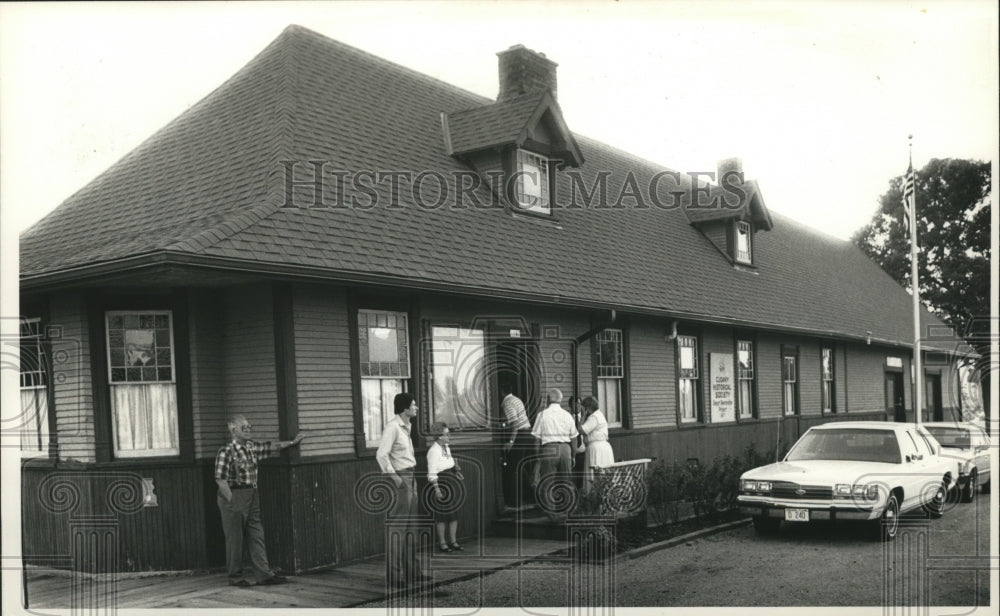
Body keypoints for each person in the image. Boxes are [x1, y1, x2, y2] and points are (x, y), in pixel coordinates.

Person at [214, 415, 304, 587]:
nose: (248, 430)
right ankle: (235, 578)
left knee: (256, 534)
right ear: (233, 430)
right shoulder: (226, 451)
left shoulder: (251, 447)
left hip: (252, 493)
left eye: (249, 427)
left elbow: (273, 446)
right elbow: (220, 479)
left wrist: (293, 442)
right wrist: (232, 501)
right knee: (235, 539)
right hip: (234, 495)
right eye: (244, 427)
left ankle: (264, 575)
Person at [375, 393, 433, 588]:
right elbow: (381, 455)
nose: (416, 407)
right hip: (400, 478)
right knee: (397, 529)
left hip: (411, 476)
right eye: (414, 405)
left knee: (411, 528)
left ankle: (413, 572)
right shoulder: (393, 428)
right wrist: (396, 479)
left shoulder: (406, 427)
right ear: (404, 408)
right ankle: (395, 576)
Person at [530, 388, 578, 522]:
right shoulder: (567, 415)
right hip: (565, 448)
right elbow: (574, 438)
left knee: (548, 482)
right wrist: (573, 455)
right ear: (560, 400)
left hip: (549, 449)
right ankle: (569, 510)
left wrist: (538, 456)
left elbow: (537, 439)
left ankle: (552, 514)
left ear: (548, 399)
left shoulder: (542, 415)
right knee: (567, 480)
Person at [426, 421, 465, 552]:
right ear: (440, 436)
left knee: (454, 514)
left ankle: (453, 541)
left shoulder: (446, 447)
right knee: (442, 516)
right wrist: (437, 490)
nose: (449, 436)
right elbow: (432, 472)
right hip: (441, 484)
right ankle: (443, 543)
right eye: (447, 434)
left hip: (451, 482)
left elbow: (450, 463)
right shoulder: (433, 451)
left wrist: (456, 471)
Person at [500, 384, 532, 509]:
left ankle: (515, 502)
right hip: (526, 433)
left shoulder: (507, 403)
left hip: (519, 435)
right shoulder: (516, 399)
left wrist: (511, 441)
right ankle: (529, 496)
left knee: (513, 468)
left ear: (501, 391)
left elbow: (515, 422)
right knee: (520, 467)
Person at [579, 396, 615, 492]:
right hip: (603, 447)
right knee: (603, 474)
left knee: (594, 475)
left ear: (588, 408)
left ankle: (593, 498)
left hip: (596, 448)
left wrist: (582, 416)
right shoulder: (599, 415)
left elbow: (581, 430)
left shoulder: (594, 417)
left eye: (583, 408)